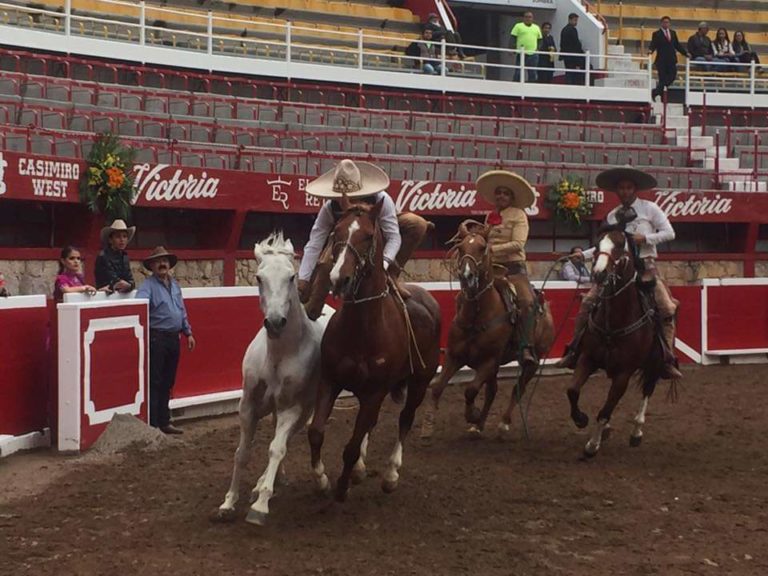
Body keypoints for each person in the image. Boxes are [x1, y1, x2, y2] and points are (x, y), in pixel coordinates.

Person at [556, 167, 682, 380]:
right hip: (618, 267)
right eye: (621, 188)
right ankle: (574, 349)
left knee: (666, 307)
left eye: (628, 188)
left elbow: (670, 233)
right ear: (617, 191)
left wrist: (646, 239)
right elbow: (604, 246)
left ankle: (666, 358)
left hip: (645, 265)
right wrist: (583, 256)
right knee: (588, 302)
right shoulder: (613, 215)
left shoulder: (650, 209)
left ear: (635, 189)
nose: (624, 192)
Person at [298, 159, 430, 321]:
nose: (349, 201)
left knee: (417, 224)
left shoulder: (381, 199)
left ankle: (392, 276)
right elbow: (315, 242)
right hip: (344, 239)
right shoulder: (330, 208)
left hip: (375, 233)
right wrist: (303, 278)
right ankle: (313, 307)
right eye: (344, 198)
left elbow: (393, 236)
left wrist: (384, 264)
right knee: (326, 265)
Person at [477, 170, 538, 368]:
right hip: (491, 269)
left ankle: (526, 347)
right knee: (468, 294)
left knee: (527, 303)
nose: (501, 196)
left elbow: (518, 244)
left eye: (505, 193)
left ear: (512, 197)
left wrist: (491, 250)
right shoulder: (490, 216)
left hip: (513, 270)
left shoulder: (519, 215)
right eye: (499, 192)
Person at [136, 246, 196, 434]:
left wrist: (188, 332)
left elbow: (181, 310)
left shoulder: (175, 285)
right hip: (157, 337)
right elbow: (140, 306)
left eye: (165, 261)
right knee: (156, 380)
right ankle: (154, 424)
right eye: (158, 261)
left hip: (173, 337)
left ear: (169, 265)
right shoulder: (147, 286)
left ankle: (164, 421)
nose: (162, 264)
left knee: (168, 381)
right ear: (152, 266)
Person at [648, 16, 690, 101]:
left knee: (672, 76)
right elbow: (653, 44)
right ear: (661, 23)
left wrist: (685, 53)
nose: (666, 24)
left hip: (671, 59)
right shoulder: (656, 34)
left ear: (669, 23)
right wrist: (650, 50)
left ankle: (656, 91)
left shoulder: (673, 33)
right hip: (661, 60)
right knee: (662, 78)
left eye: (667, 22)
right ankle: (661, 96)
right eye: (664, 22)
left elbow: (677, 45)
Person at [94, 219, 136, 294]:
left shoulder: (124, 257)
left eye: (124, 236)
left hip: (122, 295)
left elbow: (131, 280)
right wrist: (123, 284)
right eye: (118, 237)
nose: (122, 240)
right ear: (110, 240)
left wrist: (129, 285)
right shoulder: (103, 256)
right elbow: (111, 280)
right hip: (104, 295)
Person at [511, 11, 542, 82]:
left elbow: (540, 39)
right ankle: (515, 85)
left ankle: (531, 86)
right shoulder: (518, 26)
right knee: (518, 72)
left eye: (530, 17)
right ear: (523, 18)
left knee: (532, 72)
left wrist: (538, 48)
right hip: (521, 53)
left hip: (533, 54)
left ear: (532, 18)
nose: (528, 19)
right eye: (526, 17)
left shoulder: (536, 27)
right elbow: (513, 37)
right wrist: (512, 48)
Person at [560, 13, 585, 85]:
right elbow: (576, 43)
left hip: (566, 55)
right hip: (572, 55)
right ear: (570, 20)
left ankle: (569, 87)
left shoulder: (564, 29)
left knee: (569, 72)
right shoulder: (572, 29)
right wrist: (580, 54)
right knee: (572, 73)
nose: (576, 22)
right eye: (575, 20)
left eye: (576, 20)